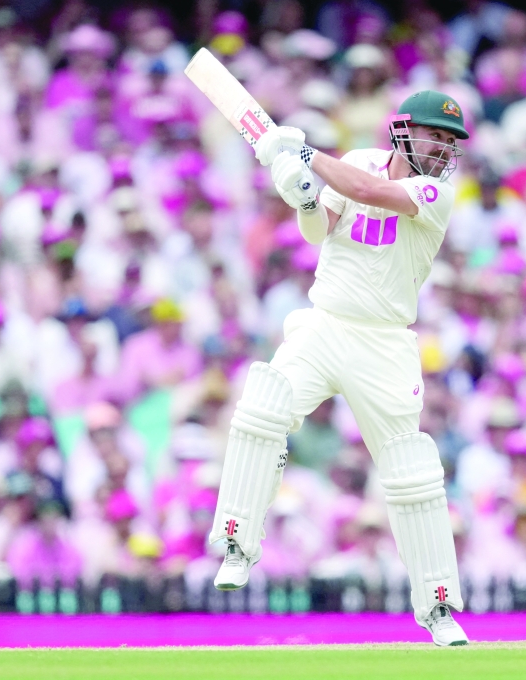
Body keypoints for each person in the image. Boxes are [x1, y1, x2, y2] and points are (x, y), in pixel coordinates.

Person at [208, 90, 470, 646]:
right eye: (435, 136)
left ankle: (439, 607)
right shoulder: (355, 162)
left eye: (450, 142)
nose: (443, 150)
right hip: (325, 324)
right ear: (403, 131)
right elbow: (319, 227)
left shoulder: (435, 192)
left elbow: (370, 192)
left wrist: (301, 152)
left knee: (410, 471)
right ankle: (237, 542)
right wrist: (302, 197)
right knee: (263, 405)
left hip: (385, 343)